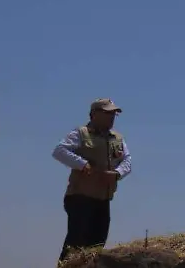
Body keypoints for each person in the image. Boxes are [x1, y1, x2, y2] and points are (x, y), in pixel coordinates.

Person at [52, 98, 132, 262]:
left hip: (103, 198)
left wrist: (117, 173)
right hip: (80, 197)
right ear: (94, 114)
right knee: (75, 244)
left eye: (114, 114)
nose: (112, 117)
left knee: (96, 246)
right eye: (107, 113)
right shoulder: (81, 134)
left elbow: (127, 160)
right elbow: (60, 151)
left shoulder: (117, 138)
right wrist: (82, 164)